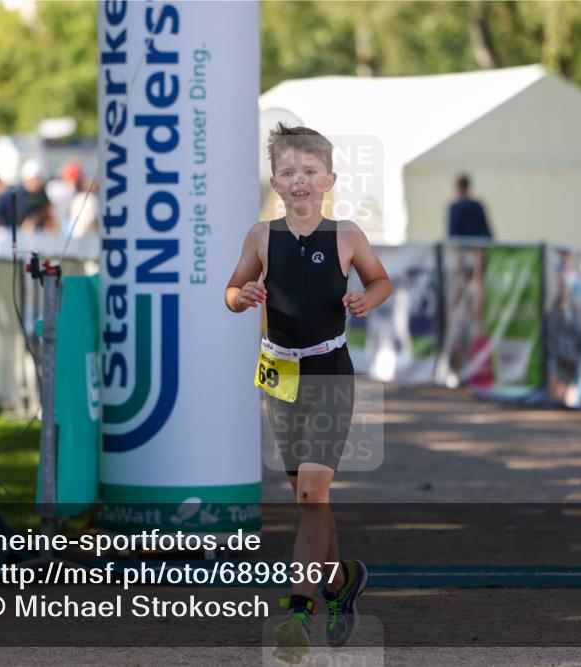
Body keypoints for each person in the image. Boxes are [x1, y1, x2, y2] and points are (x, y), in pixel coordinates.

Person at [225, 123, 391, 660]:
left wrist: (370, 298)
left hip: (329, 372)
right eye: (289, 172)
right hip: (280, 376)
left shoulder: (347, 235)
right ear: (275, 180)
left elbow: (380, 280)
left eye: (310, 172)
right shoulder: (259, 236)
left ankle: (299, 611)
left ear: (329, 178)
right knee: (307, 498)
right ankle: (342, 581)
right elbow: (230, 291)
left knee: (313, 494)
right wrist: (242, 294)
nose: (300, 181)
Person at [447, 174, 492, 239]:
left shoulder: (455, 208)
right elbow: (486, 232)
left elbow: (452, 232)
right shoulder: (477, 205)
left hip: (466, 246)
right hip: (473, 246)